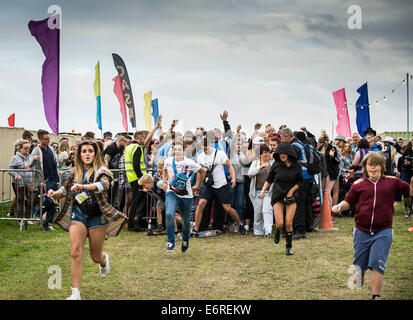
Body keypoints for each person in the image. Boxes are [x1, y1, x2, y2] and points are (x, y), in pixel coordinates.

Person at [48, 140, 125, 300]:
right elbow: (65, 188)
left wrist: (84, 187)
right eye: (84, 151)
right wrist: (55, 193)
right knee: (75, 252)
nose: (87, 153)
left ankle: (104, 260)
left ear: (95, 153)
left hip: (97, 216)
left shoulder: (102, 170)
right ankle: (75, 293)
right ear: (79, 154)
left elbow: (103, 185)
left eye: (91, 151)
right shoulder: (74, 171)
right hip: (78, 214)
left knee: (95, 257)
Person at [332, 152, 413, 300]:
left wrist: (409, 187)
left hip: (384, 230)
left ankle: (376, 296)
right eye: (370, 165)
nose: (373, 168)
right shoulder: (358, 185)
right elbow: (347, 202)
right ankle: (359, 277)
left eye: (376, 165)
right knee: (359, 266)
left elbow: (408, 190)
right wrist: (339, 206)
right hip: (361, 230)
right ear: (365, 167)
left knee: (378, 262)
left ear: (381, 166)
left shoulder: (392, 182)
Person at [192, 131, 247, 236]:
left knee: (227, 208)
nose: (205, 150)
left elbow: (229, 166)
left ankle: (240, 224)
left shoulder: (219, 154)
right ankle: (195, 229)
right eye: (203, 148)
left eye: (206, 148)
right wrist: (198, 186)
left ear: (210, 145)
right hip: (208, 185)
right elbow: (199, 173)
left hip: (220, 185)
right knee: (201, 204)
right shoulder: (200, 157)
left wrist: (234, 178)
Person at [259, 142, 303, 255]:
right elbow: (269, 180)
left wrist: (291, 191)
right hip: (278, 195)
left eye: (284, 153)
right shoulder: (276, 165)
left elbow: (300, 182)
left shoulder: (296, 165)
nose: (282, 155)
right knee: (279, 223)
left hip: (291, 196)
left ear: (289, 153)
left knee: (288, 223)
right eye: (280, 153)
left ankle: (288, 247)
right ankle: (277, 231)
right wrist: (263, 191)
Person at [162, 142, 206, 252]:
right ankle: (171, 242)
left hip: (186, 195)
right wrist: (164, 181)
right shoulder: (168, 161)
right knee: (168, 213)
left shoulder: (189, 162)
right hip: (171, 192)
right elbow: (164, 169)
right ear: (172, 151)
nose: (176, 151)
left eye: (179, 149)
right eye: (175, 149)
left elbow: (203, 171)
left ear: (183, 151)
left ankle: (186, 239)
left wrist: (198, 185)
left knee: (186, 220)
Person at [280, 128, 313, 239]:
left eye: (282, 138)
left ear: (287, 137)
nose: (282, 140)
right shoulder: (298, 144)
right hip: (306, 177)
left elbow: (289, 161)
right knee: (304, 204)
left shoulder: (295, 147)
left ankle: (300, 230)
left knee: (297, 204)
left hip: (301, 178)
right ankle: (306, 226)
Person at [31, 129, 59, 231]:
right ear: (40, 139)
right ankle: (38, 213)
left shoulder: (51, 148)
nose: (48, 141)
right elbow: (30, 163)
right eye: (45, 139)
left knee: (54, 201)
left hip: (54, 178)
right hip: (44, 180)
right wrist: (34, 159)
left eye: (48, 139)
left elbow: (55, 162)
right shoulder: (36, 150)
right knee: (48, 201)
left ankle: (48, 224)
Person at [9, 140, 39, 225]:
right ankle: (20, 220)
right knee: (20, 201)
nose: (27, 150)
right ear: (20, 149)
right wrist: (16, 175)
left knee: (31, 201)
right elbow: (10, 170)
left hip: (29, 183)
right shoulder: (15, 158)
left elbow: (33, 169)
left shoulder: (30, 157)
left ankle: (27, 218)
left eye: (28, 148)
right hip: (19, 183)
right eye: (25, 148)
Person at [248, 144, 274, 237]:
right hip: (256, 192)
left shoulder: (272, 164)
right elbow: (250, 174)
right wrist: (260, 167)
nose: (267, 155)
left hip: (269, 192)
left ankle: (268, 231)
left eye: (268, 152)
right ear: (260, 154)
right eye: (265, 153)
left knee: (267, 210)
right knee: (258, 211)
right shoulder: (255, 163)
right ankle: (258, 231)